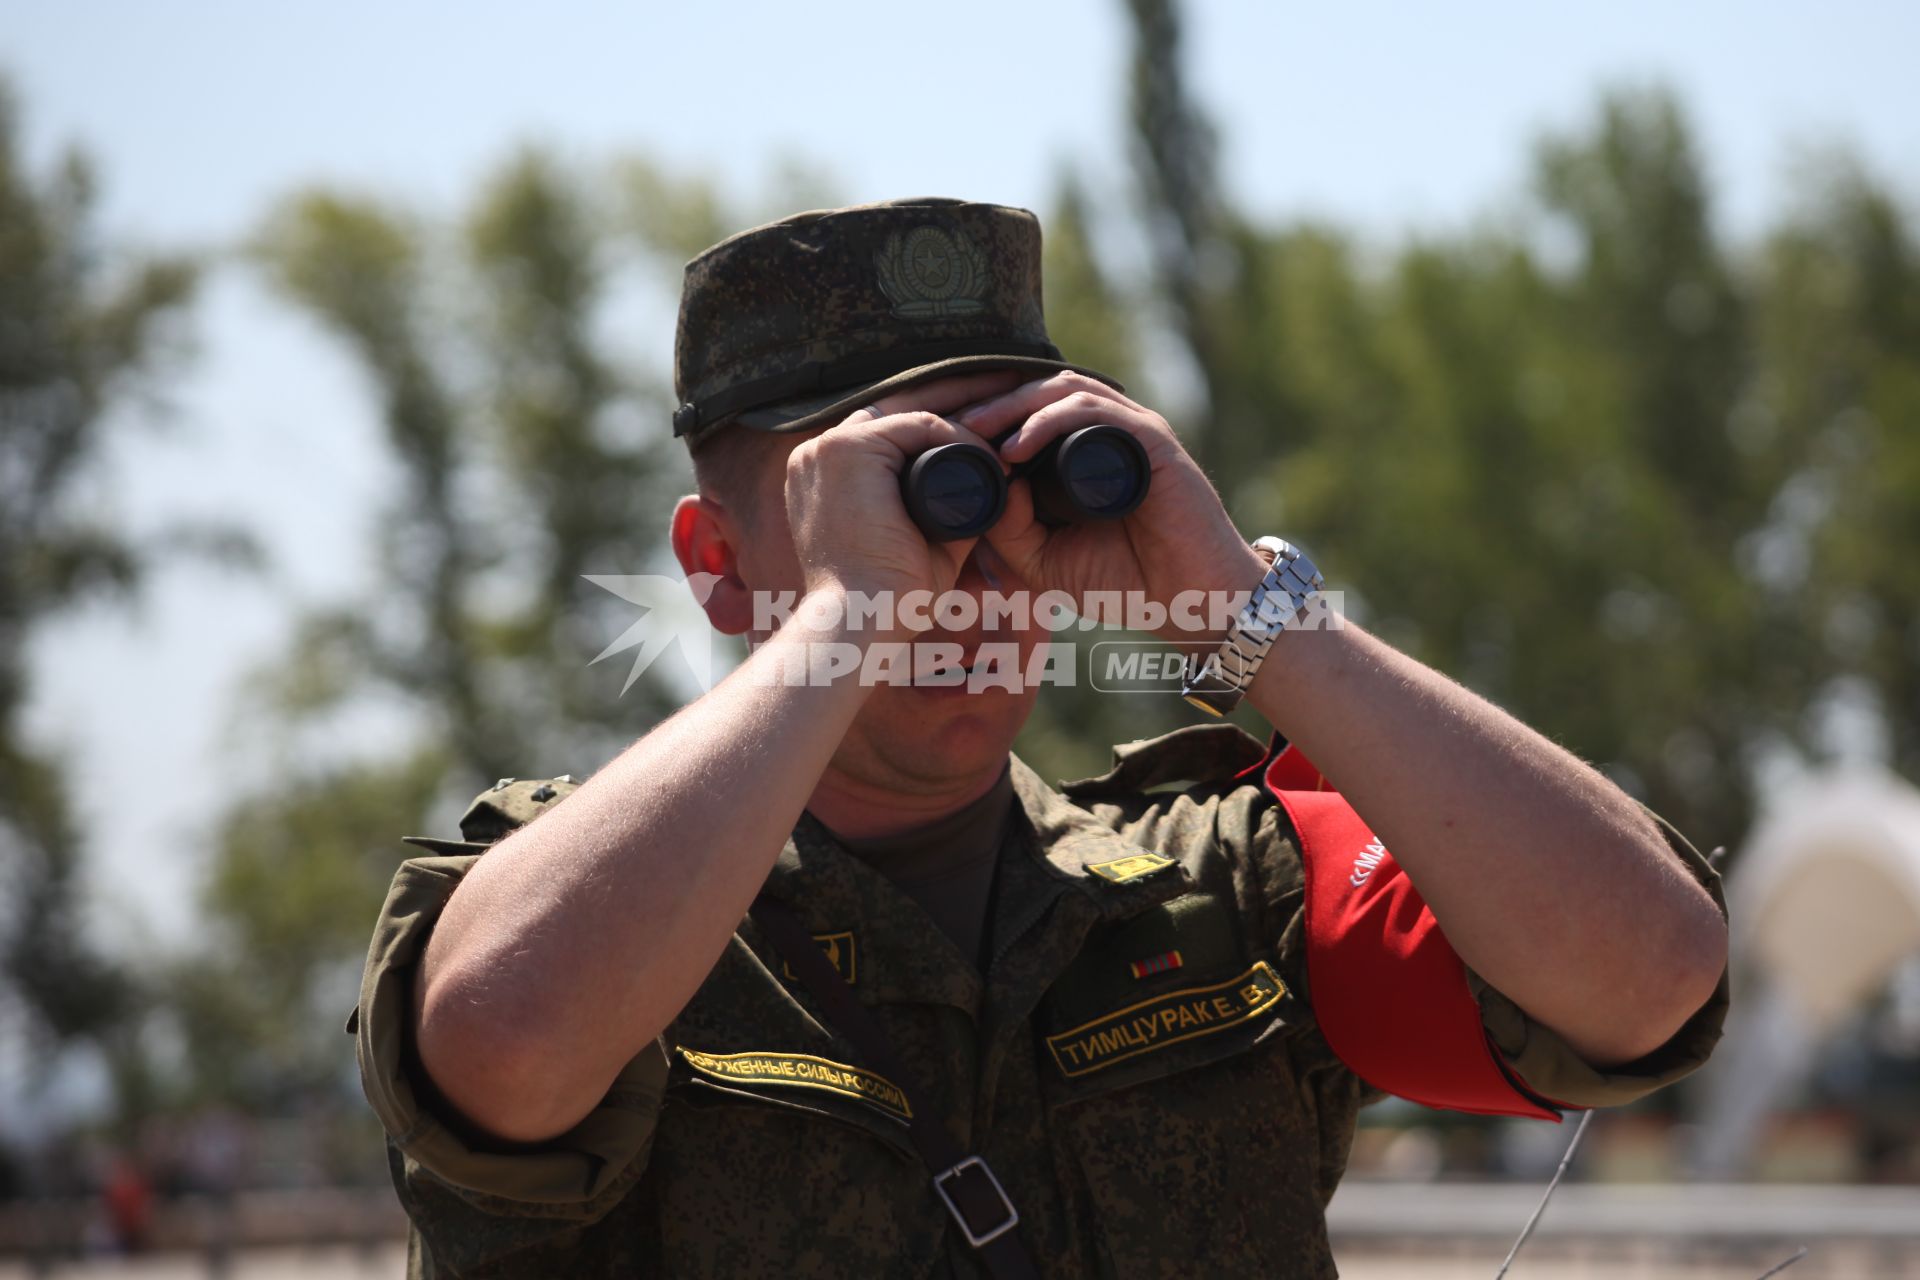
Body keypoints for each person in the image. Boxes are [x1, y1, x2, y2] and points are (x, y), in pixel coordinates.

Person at [353, 198, 1730, 1278]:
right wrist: (845, 618)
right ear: (716, 561)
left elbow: (1648, 981)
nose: (972, 560)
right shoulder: (561, 900)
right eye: (898, 487)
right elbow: (509, 1048)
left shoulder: (1224, 890)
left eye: (1004, 478)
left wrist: (1244, 611)